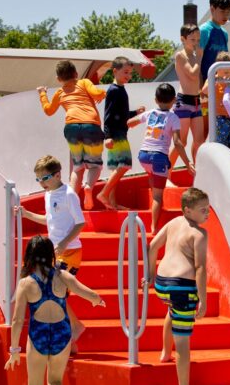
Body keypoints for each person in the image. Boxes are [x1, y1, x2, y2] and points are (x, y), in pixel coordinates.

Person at [5, 235, 104, 385]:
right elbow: (88, 293)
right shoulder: (63, 276)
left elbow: (17, 320)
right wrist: (98, 300)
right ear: (51, 254)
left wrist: (13, 351)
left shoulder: (26, 283)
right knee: (55, 382)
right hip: (61, 335)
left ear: (29, 256)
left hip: (39, 336)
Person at [146, 188, 210, 385]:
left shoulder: (173, 223)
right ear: (188, 211)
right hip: (182, 287)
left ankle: (165, 353)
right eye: (203, 210)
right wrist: (202, 299)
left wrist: (151, 274)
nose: (207, 213)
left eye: (208, 209)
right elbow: (200, 268)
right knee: (182, 339)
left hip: (163, 285)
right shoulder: (199, 234)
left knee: (172, 310)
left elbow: (153, 246)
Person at [22, 155, 87, 352]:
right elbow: (50, 220)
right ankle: (72, 337)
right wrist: (27, 214)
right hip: (56, 250)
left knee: (55, 289)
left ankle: (75, 328)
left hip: (70, 251)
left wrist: (65, 242)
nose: (42, 183)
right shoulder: (48, 194)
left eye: (45, 178)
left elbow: (81, 222)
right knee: (54, 292)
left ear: (58, 174)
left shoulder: (68, 194)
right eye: (38, 179)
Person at [37, 60, 106, 210]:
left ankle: (73, 201)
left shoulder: (60, 92)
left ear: (58, 79)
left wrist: (42, 93)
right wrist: (102, 93)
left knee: (78, 166)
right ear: (75, 74)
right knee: (95, 165)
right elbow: (97, 93)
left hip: (71, 127)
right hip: (91, 125)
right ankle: (88, 187)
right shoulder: (83, 82)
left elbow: (48, 110)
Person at [128, 83, 195, 235]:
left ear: (155, 99)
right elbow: (178, 143)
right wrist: (187, 163)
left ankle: (154, 216)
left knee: (153, 185)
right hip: (159, 157)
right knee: (158, 196)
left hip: (144, 156)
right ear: (173, 101)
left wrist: (138, 115)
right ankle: (153, 227)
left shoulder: (150, 113)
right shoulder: (173, 117)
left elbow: (130, 123)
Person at [97, 56, 145, 210]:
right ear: (115, 71)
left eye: (130, 73)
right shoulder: (114, 90)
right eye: (125, 72)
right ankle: (104, 193)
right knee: (124, 164)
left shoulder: (119, 90)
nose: (128, 76)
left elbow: (120, 114)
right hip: (116, 135)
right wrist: (107, 136)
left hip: (118, 132)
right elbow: (109, 115)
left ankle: (111, 204)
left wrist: (134, 113)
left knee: (114, 168)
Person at [174, 24, 205, 164]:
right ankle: (166, 174)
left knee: (199, 142)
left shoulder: (194, 56)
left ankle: (199, 173)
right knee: (182, 142)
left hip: (196, 101)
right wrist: (199, 57)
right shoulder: (180, 56)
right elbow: (193, 74)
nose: (196, 43)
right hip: (184, 102)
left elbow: (197, 78)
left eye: (198, 40)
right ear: (183, 39)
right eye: (192, 39)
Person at [199, 0, 230, 82]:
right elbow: (196, 62)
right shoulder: (203, 30)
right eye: (222, 11)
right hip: (206, 86)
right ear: (212, 9)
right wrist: (200, 90)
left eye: (228, 11)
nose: (226, 15)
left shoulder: (224, 33)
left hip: (221, 86)